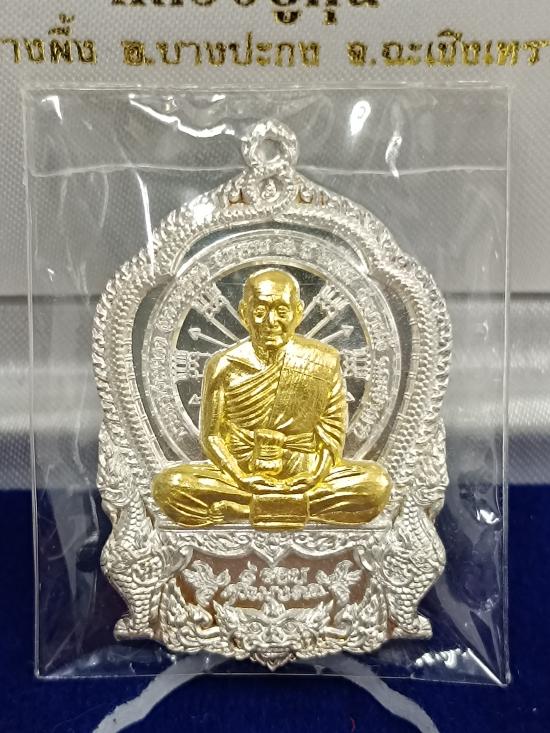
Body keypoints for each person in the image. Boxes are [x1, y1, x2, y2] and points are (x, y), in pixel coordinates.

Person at [153, 268, 391, 530]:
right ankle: (295, 508)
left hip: (305, 470)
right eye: (260, 310)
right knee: (170, 486)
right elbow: (212, 437)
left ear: (298, 312)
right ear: (244, 313)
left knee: (376, 485)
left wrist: (314, 477)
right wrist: (241, 477)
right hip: (241, 473)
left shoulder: (323, 361)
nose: (271, 321)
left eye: (282, 311)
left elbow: (331, 437)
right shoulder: (223, 366)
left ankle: (243, 510)